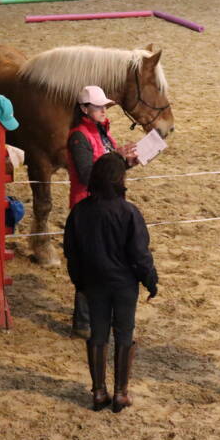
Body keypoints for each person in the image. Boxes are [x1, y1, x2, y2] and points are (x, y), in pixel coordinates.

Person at [63, 152, 157, 413]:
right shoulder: (128, 212)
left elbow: (71, 251)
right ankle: (121, 393)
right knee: (124, 333)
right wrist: (151, 281)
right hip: (124, 284)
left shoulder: (79, 212)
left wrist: (79, 282)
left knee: (98, 334)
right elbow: (140, 254)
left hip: (93, 283)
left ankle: (99, 391)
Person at [66, 85, 138, 339]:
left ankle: (91, 318)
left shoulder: (102, 133)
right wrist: (116, 158)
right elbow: (88, 175)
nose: (104, 110)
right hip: (88, 206)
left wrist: (125, 162)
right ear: (84, 109)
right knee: (89, 263)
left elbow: (108, 172)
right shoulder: (78, 137)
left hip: (105, 205)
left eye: (105, 106)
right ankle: (83, 322)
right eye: (98, 106)